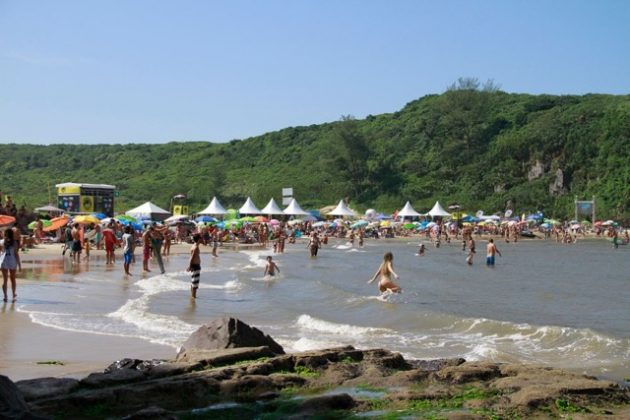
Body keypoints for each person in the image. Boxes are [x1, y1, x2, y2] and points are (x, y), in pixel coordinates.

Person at [1, 227, 21, 302]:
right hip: (12, 262)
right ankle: (13, 296)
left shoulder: (2, 242)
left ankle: (5, 296)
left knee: (5, 280)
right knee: (13, 279)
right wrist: (19, 265)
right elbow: (16, 254)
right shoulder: (14, 242)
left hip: (4, 261)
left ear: (5, 234)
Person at [187, 233, 201, 298]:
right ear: (199, 239)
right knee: (195, 284)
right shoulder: (195, 247)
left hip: (194, 266)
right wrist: (190, 266)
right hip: (195, 266)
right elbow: (192, 257)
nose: (202, 239)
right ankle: (193, 297)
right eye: (201, 238)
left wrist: (190, 266)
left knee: (193, 282)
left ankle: (192, 297)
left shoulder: (194, 245)